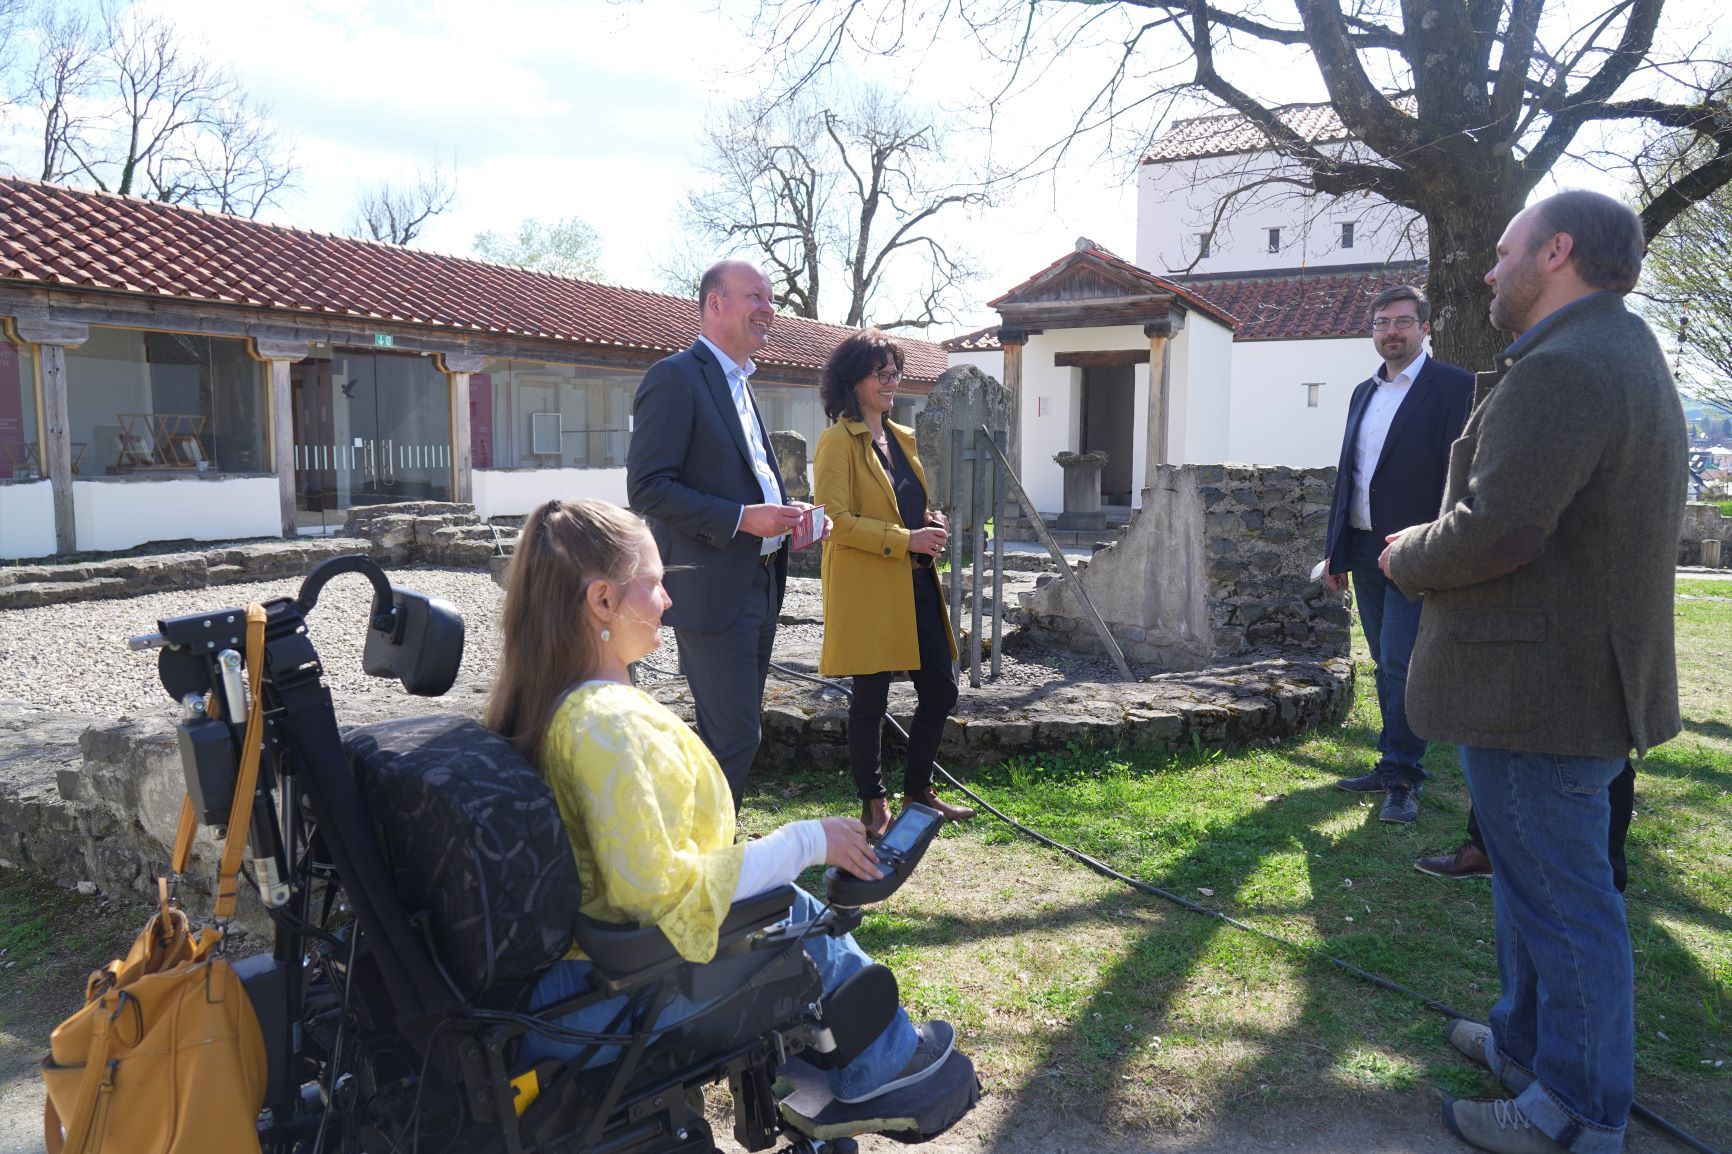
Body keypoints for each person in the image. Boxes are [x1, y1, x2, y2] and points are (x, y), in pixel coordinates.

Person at [1382, 190, 1686, 1154]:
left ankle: (1575, 1112)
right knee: (1529, 883)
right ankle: (1523, 1045)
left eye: (1504, 249)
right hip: (1552, 680)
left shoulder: (1568, 365)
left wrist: (1404, 556)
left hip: (1543, 689)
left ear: (1556, 252)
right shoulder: (1611, 349)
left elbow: (1501, 530)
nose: (1488, 268)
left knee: (1565, 903)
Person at [485, 497, 956, 1104]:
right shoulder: (605, 726)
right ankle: (883, 1063)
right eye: (653, 585)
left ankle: (832, 1053)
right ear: (603, 601)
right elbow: (656, 894)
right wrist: (804, 842)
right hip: (609, 1007)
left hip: (574, 996)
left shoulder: (552, 702)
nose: (668, 601)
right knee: (789, 909)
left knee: (777, 901)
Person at [626, 260, 813, 809]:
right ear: (715, 303)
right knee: (736, 737)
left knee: (729, 735)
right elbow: (648, 487)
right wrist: (741, 518)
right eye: (755, 296)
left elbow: (742, 476)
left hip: (758, 581)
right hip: (712, 587)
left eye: (770, 298)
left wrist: (784, 513)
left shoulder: (741, 384)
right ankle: (706, 864)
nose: (769, 309)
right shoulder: (676, 377)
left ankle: (700, 852)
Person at [1321, 286, 1474, 824]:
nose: (1391, 331)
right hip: (1363, 548)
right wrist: (1336, 550)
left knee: (1399, 658)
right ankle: (1391, 762)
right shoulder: (1363, 392)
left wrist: (1440, 545)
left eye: (1402, 322)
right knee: (1384, 660)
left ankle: (1404, 775)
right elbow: (1351, 476)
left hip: (1414, 550)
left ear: (1424, 327)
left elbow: (1461, 479)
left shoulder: (1454, 387)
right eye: (1381, 323)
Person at [812, 330, 970, 840]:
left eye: (895, 372)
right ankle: (873, 803)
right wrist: (906, 538)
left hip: (917, 581)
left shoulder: (902, 439)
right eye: (881, 373)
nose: (891, 382)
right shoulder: (836, 441)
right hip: (870, 589)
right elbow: (835, 520)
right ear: (853, 382)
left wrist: (927, 520)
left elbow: (899, 506)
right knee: (871, 698)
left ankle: (918, 790)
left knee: (941, 689)